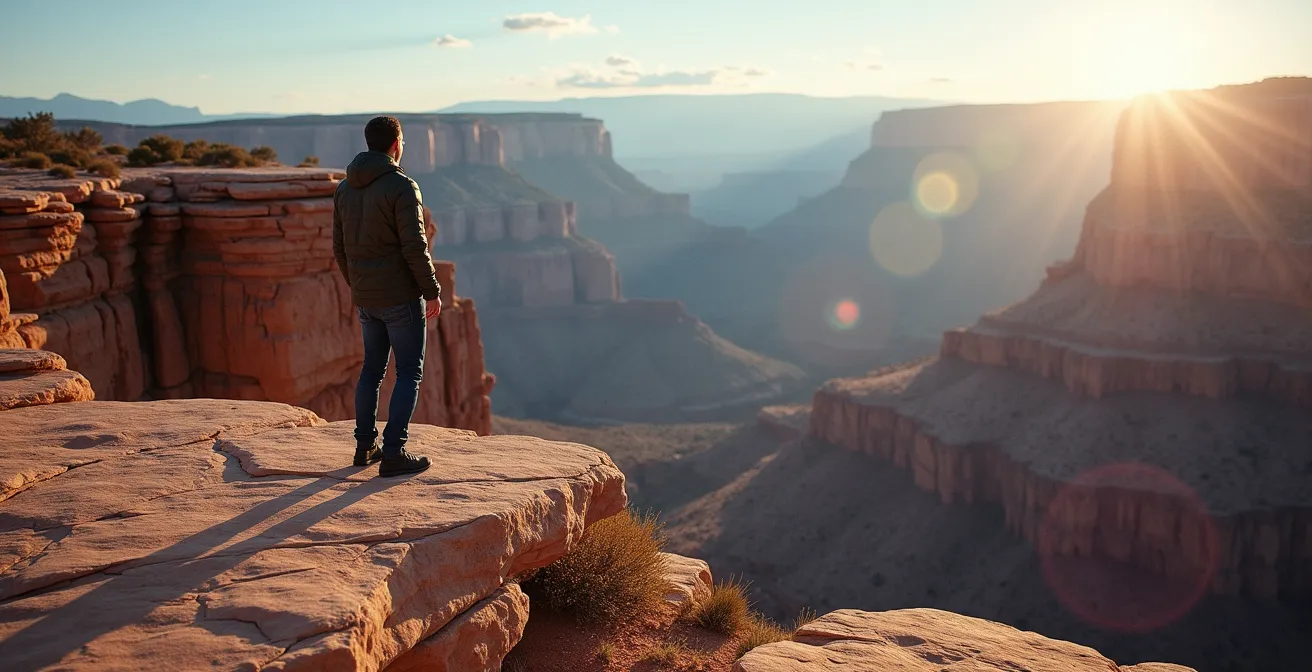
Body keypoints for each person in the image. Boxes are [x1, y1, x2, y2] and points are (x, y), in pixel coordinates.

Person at [332, 116, 441, 477]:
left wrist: (358, 285)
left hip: (367, 297)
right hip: (400, 297)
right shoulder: (402, 186)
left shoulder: (345, 188)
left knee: (372, 370)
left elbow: (339, 248)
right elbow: (415, 246)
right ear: (396, 144)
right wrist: (432, 291)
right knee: (409, 371)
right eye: (403, 140)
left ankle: (365, 447)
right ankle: (393, 452)